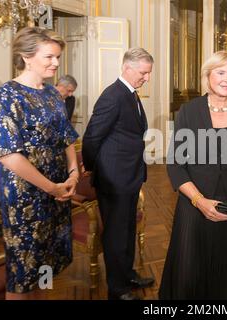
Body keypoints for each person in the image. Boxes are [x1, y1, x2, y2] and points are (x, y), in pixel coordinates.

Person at [159, 51, 227, 299]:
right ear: (208, 76)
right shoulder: (188, 111)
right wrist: (199, 201)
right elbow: (176, 164)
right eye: (220, 72)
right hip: (194, 206)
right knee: (189, 274)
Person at [0, 27, 79, 300]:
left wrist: (74, 171)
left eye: (57, 57)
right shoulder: (8, 94)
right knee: (23, 270)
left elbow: (67, 138)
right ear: (26, 57)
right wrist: (50, 187)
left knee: (46, 262)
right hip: (25, 194)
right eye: (49, 57)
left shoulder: (53, 93)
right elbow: (8, 154)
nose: (56, 63)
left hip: (57, 192)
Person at [82, 47, 154, 300]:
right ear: (127, 68)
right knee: (115, 234)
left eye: (148, 73)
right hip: (113, 179)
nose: (147, 78)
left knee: (126, 230)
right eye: (143, 73)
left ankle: (127, 275)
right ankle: (118, 288)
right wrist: (92, 167)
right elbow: (92, 137)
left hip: (129, 176)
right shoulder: (112, 95)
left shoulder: (131, 94)